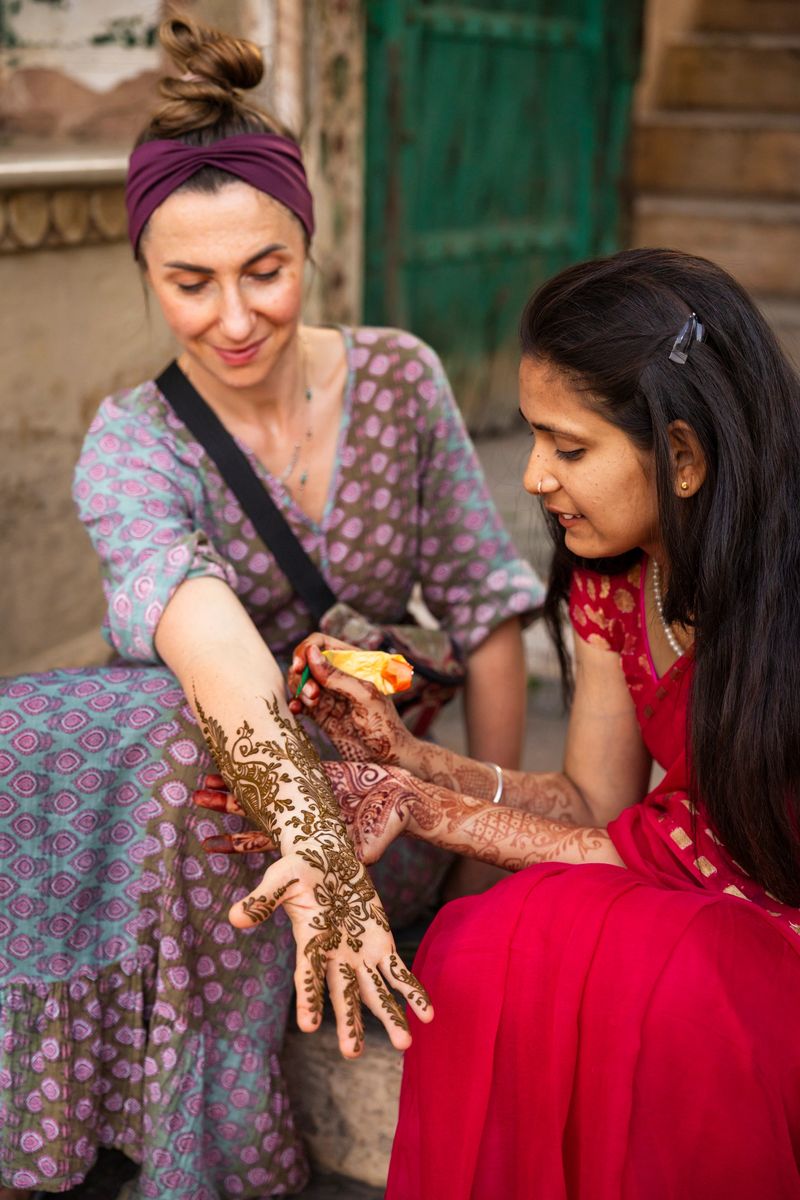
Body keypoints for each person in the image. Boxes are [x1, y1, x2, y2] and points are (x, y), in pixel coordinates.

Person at [0, 15, 543, 1200]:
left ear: (310, 241)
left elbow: (487, 611)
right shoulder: (131, 445)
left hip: (376, 802)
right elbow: (208, 641)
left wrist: (478, 859)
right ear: (143, 270)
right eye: (189, 284)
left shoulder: (398, 377)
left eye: (266, 270)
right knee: (127, 736)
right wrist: (313, 865)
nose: (235, 318)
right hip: (212, 811)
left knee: (166, 763)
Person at [273, 248, 800, 1198]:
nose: (534, 479)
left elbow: (694, 846)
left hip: (777, 922)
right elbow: (597, 802)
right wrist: (408, 755)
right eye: (533, 440)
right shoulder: (618, 573)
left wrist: (421, 807)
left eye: (569, 448)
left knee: (677, 998)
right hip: (683, 885)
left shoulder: (779, 598)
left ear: (682, 455)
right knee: (476, 949)